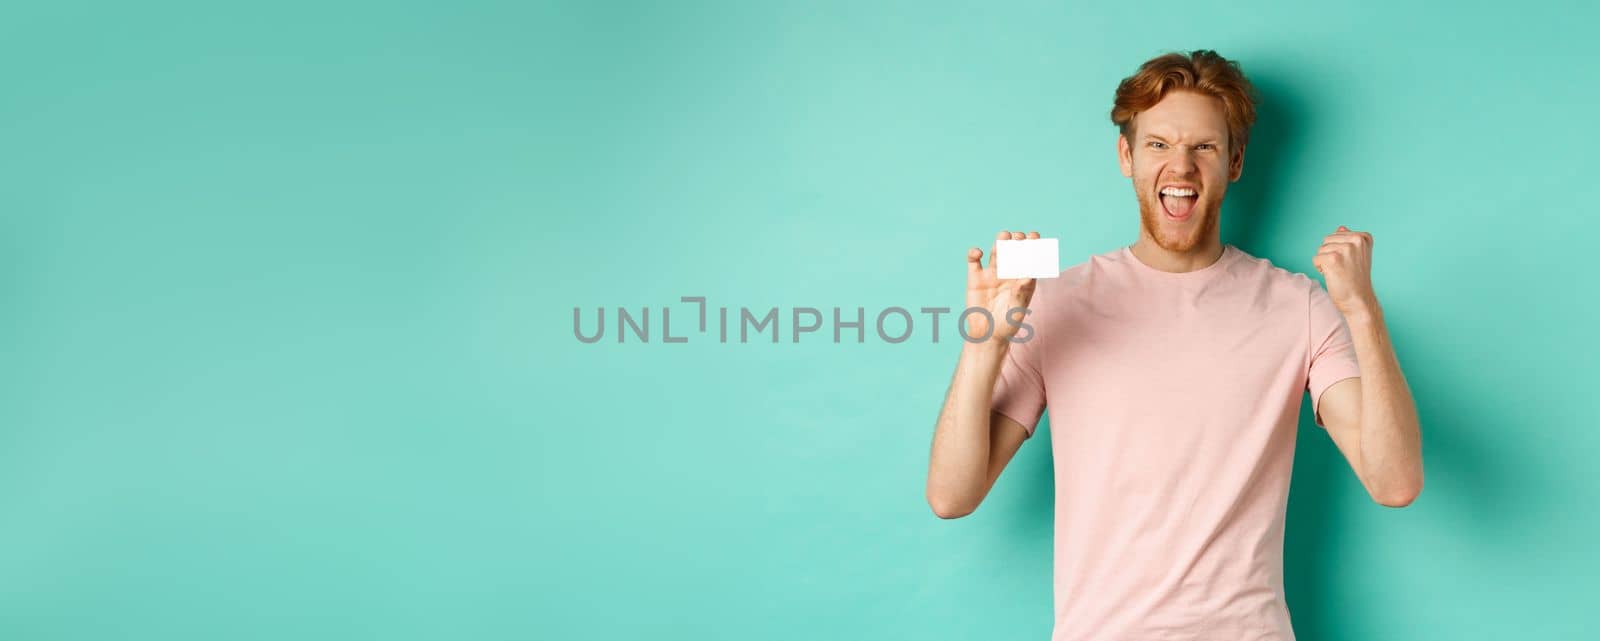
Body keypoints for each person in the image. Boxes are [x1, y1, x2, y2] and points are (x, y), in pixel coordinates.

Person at [924, 49, 1423, 640]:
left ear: (1235, 162)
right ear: (1126, 156)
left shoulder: (1300, 307)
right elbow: (952, 495)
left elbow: (1394, 482)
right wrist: (984, 345)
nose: (1180, 167)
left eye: (1203, 147)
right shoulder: (1056, 301)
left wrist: (1362, 311)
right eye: (1158, 144)